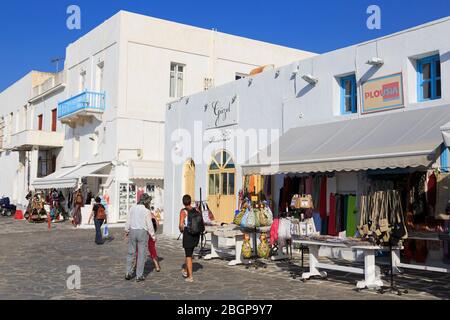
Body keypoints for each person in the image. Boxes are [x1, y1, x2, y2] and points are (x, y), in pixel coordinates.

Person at [125, 194, 155, 282]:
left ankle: (128, 272)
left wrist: (126, 230)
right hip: (142, 232)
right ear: (146, 202)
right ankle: (139, 275)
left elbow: (128, 220)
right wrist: (153, 235)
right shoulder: (146, 211)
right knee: (141, 254)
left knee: (131, 253)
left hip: (133, 231)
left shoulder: (132, 208)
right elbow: (149, 225)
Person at [179, 194, 203, 283]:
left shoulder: (183, 211)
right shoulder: (196, 210)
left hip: (188, 234)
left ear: (183, 202)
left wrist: (181, 230)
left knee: (188, 255)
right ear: (190, 201)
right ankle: (186, 270)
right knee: (189, 252)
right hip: (196, 235)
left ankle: (190, 276)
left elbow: (181, 225)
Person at [148, 206, 161, 272]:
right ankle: (157, 266)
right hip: (151, 234)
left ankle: (135, 265)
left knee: (138, 250)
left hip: (144, 234)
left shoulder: (144, 214)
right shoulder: (152, 214)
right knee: (152, 250)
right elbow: (157, 223)